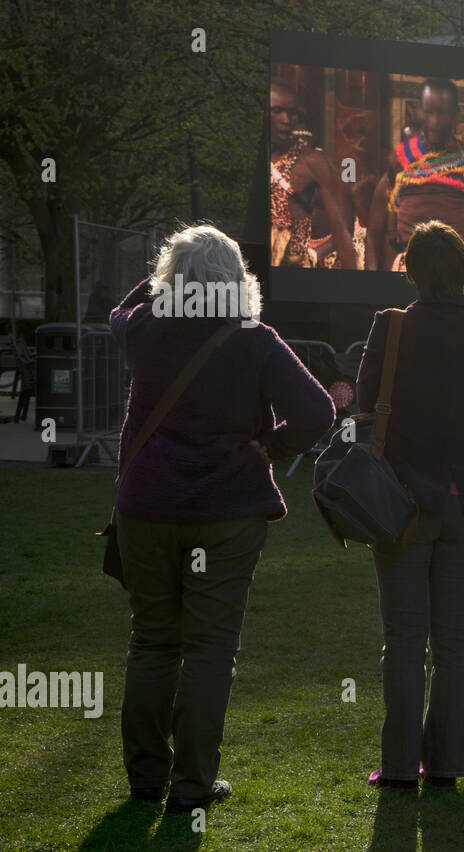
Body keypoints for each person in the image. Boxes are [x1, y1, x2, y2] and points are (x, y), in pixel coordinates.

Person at [110, 224, 335, 813]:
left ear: (171, 278)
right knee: (211, 648)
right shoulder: (254, 339)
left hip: (147, 506)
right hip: (229, 509)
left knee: (152, 640)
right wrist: (273, 447)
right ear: (238, 279)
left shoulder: (146, 330)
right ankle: (192, 784)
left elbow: (122, 308)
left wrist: (167, 277)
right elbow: (318, 410)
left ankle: (145, 778)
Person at [356, 220, 464, 790]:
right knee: (454, 637)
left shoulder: (391, 329)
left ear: (411, 271)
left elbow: (366, 404)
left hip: (402, 502)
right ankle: (447, 766)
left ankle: (399, 767)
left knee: (404, 636)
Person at [366, 78, 464, 275]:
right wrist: (372, 277)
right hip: (409, 271)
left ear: (455, 115)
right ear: (420, 112)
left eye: (442, 114)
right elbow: (374, 230)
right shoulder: (400, 161)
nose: (435, 122)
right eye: (429, 113)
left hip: (460, 272)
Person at [269, 82, 356, 269]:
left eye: (292, 113)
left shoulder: (313, 161)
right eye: (277, 110)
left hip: (295, 269)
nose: (286, 120)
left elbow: (342, 231)